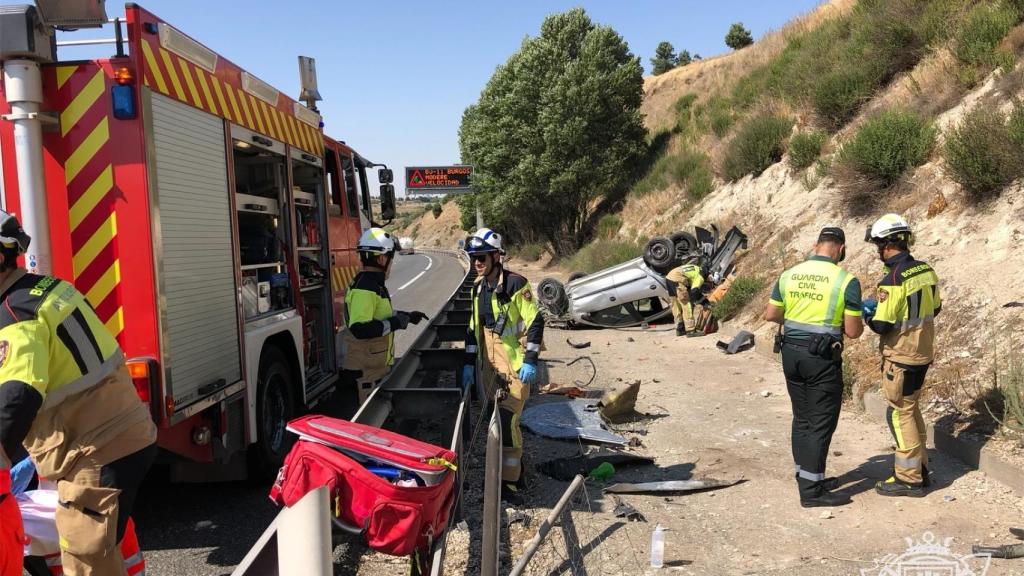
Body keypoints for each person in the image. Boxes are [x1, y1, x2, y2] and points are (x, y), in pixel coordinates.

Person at [0, 210, 156, 575]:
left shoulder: (13, 314)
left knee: (86, 562)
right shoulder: (46, 289)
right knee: (102, 553)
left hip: (97, 451)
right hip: (120, 437)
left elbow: (18, 395)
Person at [763, 227, 863, 508]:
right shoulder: (846, 281)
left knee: (802, 418)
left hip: (790, 354)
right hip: (820, 359)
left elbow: (771, 314)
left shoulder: (789, 274)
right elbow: (853, 332)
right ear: (841, 249)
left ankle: (806, 474)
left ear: (816, 245)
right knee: (821, 422)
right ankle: (812, 491)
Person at [461, 228, 543, 502]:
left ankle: (511, 482)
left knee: (508, 420)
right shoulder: (477, 288)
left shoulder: (516, 285)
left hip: (515, 364)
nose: (477, 263)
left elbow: (535, 323)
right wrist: (468, 363)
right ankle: (503, 472)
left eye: (481, 257)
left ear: (496, 256)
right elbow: (474, 328)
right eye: (473, 258)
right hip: (489, 364)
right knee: (494, 419)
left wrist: (530, 361)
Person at [862, 214, 940, 498]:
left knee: (899, 413)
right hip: (923, 352)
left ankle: (908, 478)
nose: (877, 251)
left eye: (877, 245)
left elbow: (882, 325)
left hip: (901, 356)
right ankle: (920, 468)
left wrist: (867, 314)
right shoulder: (926, 270)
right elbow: (936, 308)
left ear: (886, 245)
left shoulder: (892, 279)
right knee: (912, 409)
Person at [341, 227, 427, 403]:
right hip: (364, 375)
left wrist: (407, 317)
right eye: (390, 258)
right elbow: (360, 328)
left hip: (372, 370)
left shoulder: (372, 284)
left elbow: (379, 316)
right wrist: (396, 322)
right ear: (381, 258)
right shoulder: (366, 286)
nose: (391, 263)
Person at [665, 260, 705, 337]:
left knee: (676, 305)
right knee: (687, 303)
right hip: (677, 278)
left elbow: (690, 285)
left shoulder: (695, 268)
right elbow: (694, 290)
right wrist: (703, 301)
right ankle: (690, 330)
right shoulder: (700, 277)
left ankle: (680, 329)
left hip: (669, 278)